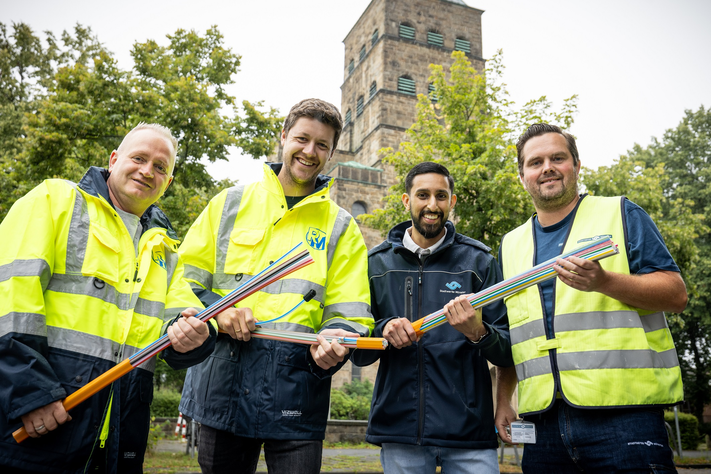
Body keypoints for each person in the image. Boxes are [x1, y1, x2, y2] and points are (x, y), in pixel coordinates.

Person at [0, 123, 216, 474]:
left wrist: (195, 335)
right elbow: (8, 299)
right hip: (42, 417)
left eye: (161, 167)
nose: (148, 171)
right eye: (139, 158)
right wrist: (31, 393)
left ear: (168, 182)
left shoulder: (165, 250)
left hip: (121, 436)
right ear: (114, 159)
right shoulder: (55, 200)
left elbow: (183, 314)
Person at [178, 98, 373, 474]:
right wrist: (220, 312)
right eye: (302, 138)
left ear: (332, 154)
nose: (309, 151)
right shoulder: (230, 203)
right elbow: (181, 281)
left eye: (322, 145)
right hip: (223, 384)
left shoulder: (342, 226)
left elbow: (351, 312)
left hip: (297, 390)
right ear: (283, 137)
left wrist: (338, 340)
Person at [495, 123, 687, 472]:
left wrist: (605, 281)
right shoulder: (510, 246)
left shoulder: (621, 213)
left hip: (625, 416)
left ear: (577, 165)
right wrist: (503, 399)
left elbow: (675, 295)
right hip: (543, 424)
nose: (547, 167)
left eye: (558, 158)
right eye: (535, 162)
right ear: (522, 175)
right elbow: (515, 332)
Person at [351, 162, 513, 474]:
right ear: (405, 200)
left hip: (469, 434)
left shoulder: (479, 261)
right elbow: (356, 352)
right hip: (400, 431)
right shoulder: (375, 264)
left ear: (452, 202)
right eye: (422, 195)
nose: (432, 204)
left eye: (441, 196)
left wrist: (478, 332)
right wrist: (383, 330)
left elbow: (508, 348)